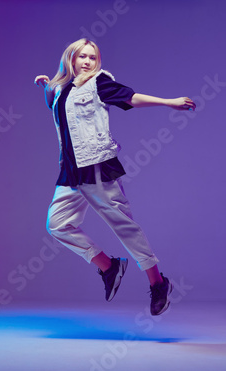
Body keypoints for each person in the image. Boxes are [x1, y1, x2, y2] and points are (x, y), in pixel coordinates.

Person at [34, 38, 195, 316]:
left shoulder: (99, 83)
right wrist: (48, 86)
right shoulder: (62, 90)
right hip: (71, 171)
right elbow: (56, 109)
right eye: (82, 56)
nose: (87, 62)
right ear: (71, 59)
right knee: (57, 224)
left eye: (92, 58)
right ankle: (109, 267)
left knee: (123, 226)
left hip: (97, 167)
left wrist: (168, 102)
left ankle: (158, 284)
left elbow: (130, 98)